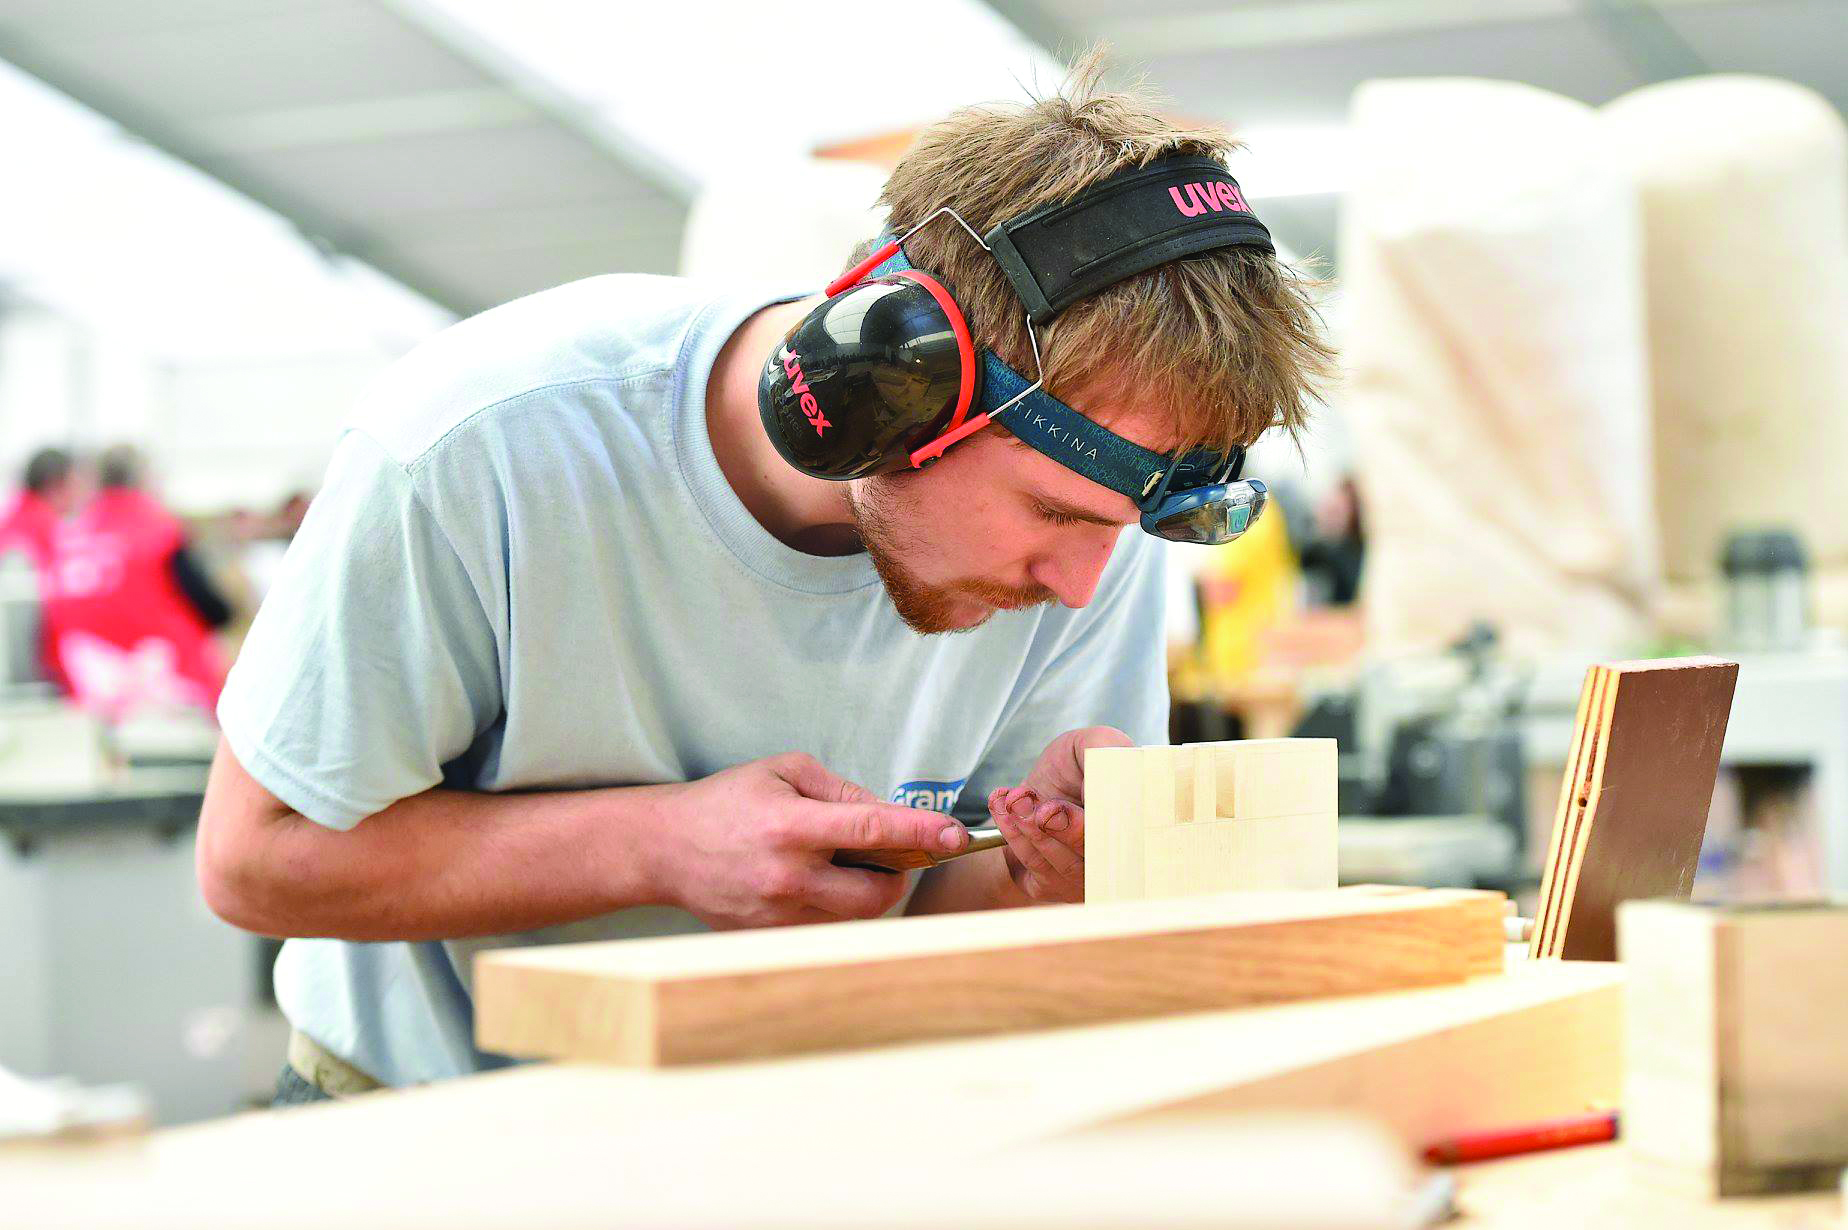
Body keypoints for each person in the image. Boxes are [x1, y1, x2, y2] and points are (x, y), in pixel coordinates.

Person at [195, 63, 1335, 1103]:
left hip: (798, 1130)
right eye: (1051, 514)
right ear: (886, 376)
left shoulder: (1094, 529)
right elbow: (256, 858)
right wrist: (660, 846)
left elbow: (937, 917)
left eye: (1121, 530)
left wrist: (1042, 877)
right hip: (433, 1128)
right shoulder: (484, 445)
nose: (1084, 583)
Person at [41, 445, 232, 718]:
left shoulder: (68, 532)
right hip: (161, 682)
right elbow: (214, 608)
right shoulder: (156, 526)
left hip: (87, 685)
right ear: (141, 478)